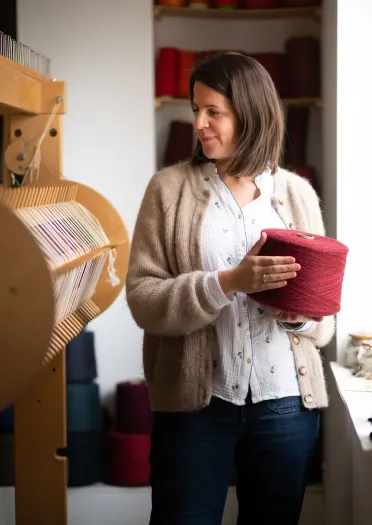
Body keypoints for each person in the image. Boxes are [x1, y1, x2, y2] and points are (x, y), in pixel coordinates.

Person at [126, 52, 335, 525]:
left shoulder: (296, 193)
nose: (199, 123)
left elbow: (323, 321)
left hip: (286, 404)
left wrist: (298, 314)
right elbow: (143, 298)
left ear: (251, 113)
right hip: (195, 409)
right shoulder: (168, 190)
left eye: (213, 111)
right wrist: (227, 283)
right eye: (195, 109)